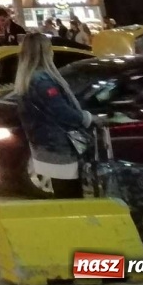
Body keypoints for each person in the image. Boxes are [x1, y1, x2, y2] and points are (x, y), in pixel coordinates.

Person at [14, 32, 91, 198]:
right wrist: (86, 118)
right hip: (59, 148)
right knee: (71, 199)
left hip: (42, 146)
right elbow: (62, 112)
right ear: (44, 52)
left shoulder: (25, 80)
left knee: (62, 196)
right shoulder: (42, 80)